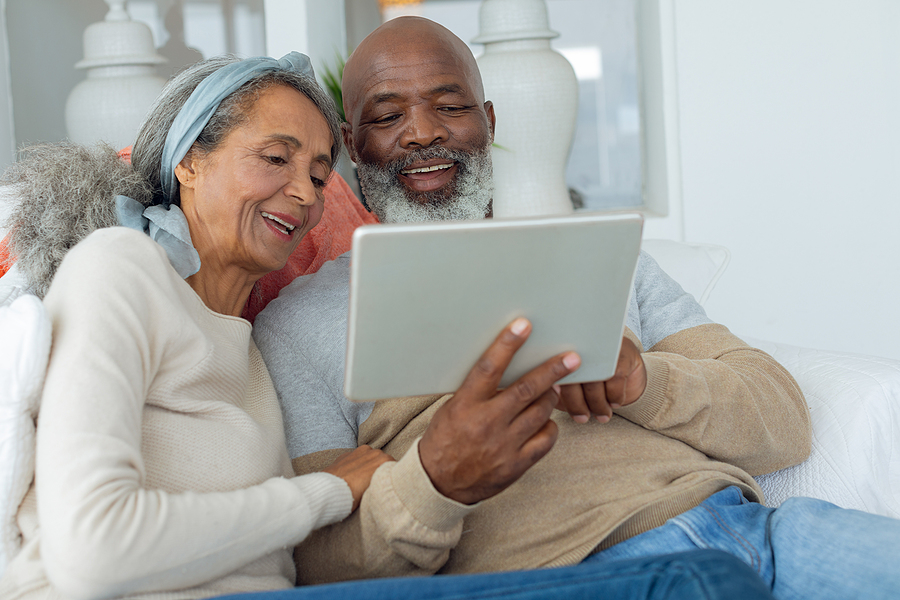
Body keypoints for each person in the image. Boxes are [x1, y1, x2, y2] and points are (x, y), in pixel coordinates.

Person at [0, 52, 775, 600]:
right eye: (274, 158)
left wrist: (644, 377)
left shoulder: (245, 347)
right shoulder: (118, 270)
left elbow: (281, 557)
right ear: (188, 162)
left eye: (314, 172)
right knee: (699, 582)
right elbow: (94, 554)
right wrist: (334, 490)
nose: (302, 195)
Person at [252, 16, 900, 600]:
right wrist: (434, 478)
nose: (422, 133)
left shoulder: (602, 256)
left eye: (450, 106)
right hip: (580, 572)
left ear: (490, 122)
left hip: (759, 530)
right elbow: (321, 563)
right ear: (351, 142)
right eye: (387, 117)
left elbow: (784, 420)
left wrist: (644, 380)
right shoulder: (299, 325)